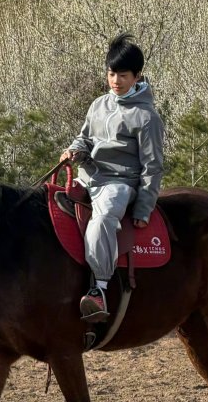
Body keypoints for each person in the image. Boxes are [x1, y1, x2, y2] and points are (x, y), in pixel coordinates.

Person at [61, 33, 165, 322]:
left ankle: (100, 288)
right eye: (111, 74)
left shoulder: (147, 118)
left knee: (103, 219)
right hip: (88, 176)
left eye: (123, 75)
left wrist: (143, 208)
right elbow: (84, 139)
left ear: (137, 76)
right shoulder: (98, 105)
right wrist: (73, 151)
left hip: (119, 183)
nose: (115, 81)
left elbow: (152, 167)